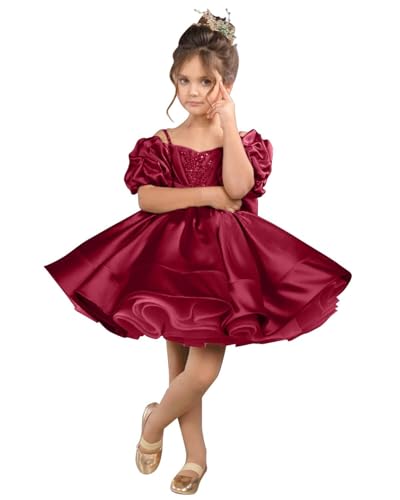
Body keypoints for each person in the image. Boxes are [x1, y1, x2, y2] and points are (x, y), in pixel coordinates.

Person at [43, 8, 352, 495]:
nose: (192, 91)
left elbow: (239, 187)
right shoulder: (162, 142)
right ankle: (196, 457)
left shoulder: (242, 142)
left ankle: (153, 422)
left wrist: (229, 123)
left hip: (224, 267)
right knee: (182, 369)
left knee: (202, 370)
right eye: (184, 80)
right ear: (173, 79)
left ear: (227, 84)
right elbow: (148, 198)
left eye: (206, 82)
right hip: (169, 262)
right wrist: (207, 196)